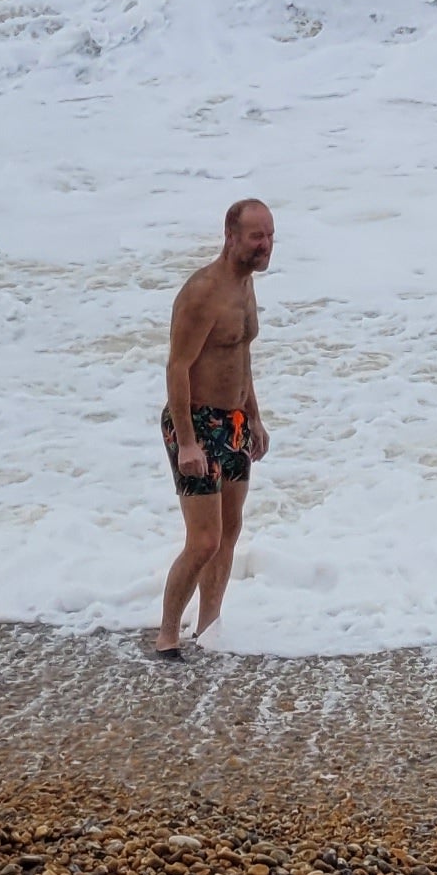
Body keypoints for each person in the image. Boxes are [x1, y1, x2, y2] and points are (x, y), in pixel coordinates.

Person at [150, 196, 276, 660]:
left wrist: (255, 415)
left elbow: (238, 356)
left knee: (229, 531)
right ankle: (167, 636)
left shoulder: (245, 286)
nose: (265, 246)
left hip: (235, 422)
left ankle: (209, 630)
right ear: (230, 236)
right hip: (196, 422)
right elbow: (177, 368)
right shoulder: (203, 291)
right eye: (256, 237)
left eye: (270, 236)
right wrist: (186, 441)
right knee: (203, 540)